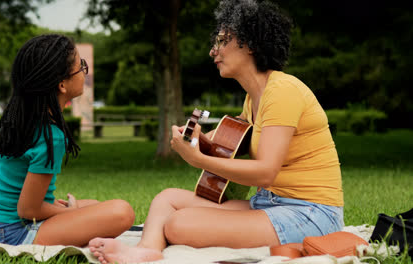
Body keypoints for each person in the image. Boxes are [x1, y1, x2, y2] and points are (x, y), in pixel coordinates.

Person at [89, 0, 344, 263]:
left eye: (223, 41)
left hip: (310, 214)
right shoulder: (253, 98)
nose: (213, 51)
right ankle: (147, 250)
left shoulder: (282, 92)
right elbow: (232, 144)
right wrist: (198, 139)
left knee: (179, 224)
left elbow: (266, 172)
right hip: (271, 204)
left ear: (251, 44)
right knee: (167, 199)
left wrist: (198, 159)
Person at [0, 34, 135, 246]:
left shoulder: (22, 119)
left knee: (95, 205)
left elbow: (21, 189)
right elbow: (28, 210)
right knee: (122, 212)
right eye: (81, 66)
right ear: (62, 85)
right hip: (17, 231)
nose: (84, 71)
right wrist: (67, 212)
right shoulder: (50, 135)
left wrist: (61, 208)